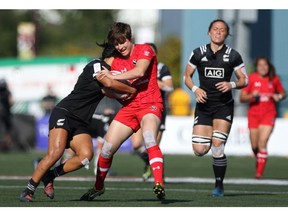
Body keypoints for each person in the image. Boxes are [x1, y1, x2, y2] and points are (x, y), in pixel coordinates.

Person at [19, 43, 137, 202]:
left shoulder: (108, 74)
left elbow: (109, 91)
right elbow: (109, 84)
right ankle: (29, 189)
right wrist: (132, 90)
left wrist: (131, 100)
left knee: (85, 156)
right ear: (115, 57)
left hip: (80, 121)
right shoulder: (97, 65)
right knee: (55, 153)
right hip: (65, 112)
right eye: (122, 58)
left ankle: (50, 175)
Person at [80, 22, 165, 201]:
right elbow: (108, 88)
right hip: (129, 108)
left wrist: (113, 76)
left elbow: (140, 71)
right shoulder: (114, 60)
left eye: (123, 41)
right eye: (117, 44)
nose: (120, 46)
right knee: (106, 150)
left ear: (130, 38)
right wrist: (115, 92)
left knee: (149, 138)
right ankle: (98, 186)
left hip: (150, 104)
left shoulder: (145, 49)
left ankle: (158, 183)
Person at [184, 19, 248, 197]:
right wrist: (195, 89)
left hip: (223, 106)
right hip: (204, 106)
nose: (218, 32)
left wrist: (232, 85)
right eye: (215, 29)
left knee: (218, 146)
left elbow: (245, 80)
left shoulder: (233, 55)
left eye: (222, 30)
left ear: (227, 34)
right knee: (199, 150)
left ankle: (219, 185)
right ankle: (212, 159)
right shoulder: (198, 53)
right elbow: (186, 77)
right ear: (209, 32)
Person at [130, 42, 173, 181]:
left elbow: (169, 87)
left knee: (152, 144)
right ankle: (152, 162)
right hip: (139, 107)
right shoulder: (136, 66)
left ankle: (157, 174)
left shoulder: (161, 68)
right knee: (136, 144)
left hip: (156, 109)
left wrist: (153, 79)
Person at [240, 56, 286, 179]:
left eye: (265, 65)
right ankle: (259, 159)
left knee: (263, 142)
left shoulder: (274, 79)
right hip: (254, 115)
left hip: (268, 114)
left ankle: (259, 173)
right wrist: (251, 96)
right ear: (257, 67)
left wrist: (279, 97)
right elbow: (242, 98)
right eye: (260, 65)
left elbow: (283, 93)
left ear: (268, 66)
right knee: (255, 146)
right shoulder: (252, 79)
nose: (263, 68)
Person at [0, 78, 13, 151]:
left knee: (7, 131)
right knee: (7, 131)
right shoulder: (7, 92)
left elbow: (11, 101)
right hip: (6, 113)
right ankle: (6, 145)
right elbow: (11, 101)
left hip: (4, 113)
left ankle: (5, 145)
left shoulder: (7, 92)